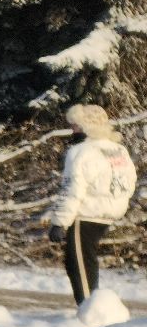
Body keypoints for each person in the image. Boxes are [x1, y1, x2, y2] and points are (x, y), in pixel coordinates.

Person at [45, 103, 138, 306]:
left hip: (86, 213)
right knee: (85, 258)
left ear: (86, 126)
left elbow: (72, 189)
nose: (72, 129)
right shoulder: (118, 149)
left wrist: (59, 221)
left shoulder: (81, 151)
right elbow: (130, 181)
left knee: (78, 262)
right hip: (110, 212)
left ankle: (89, 309)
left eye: (75, 125)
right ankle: (91, 305)